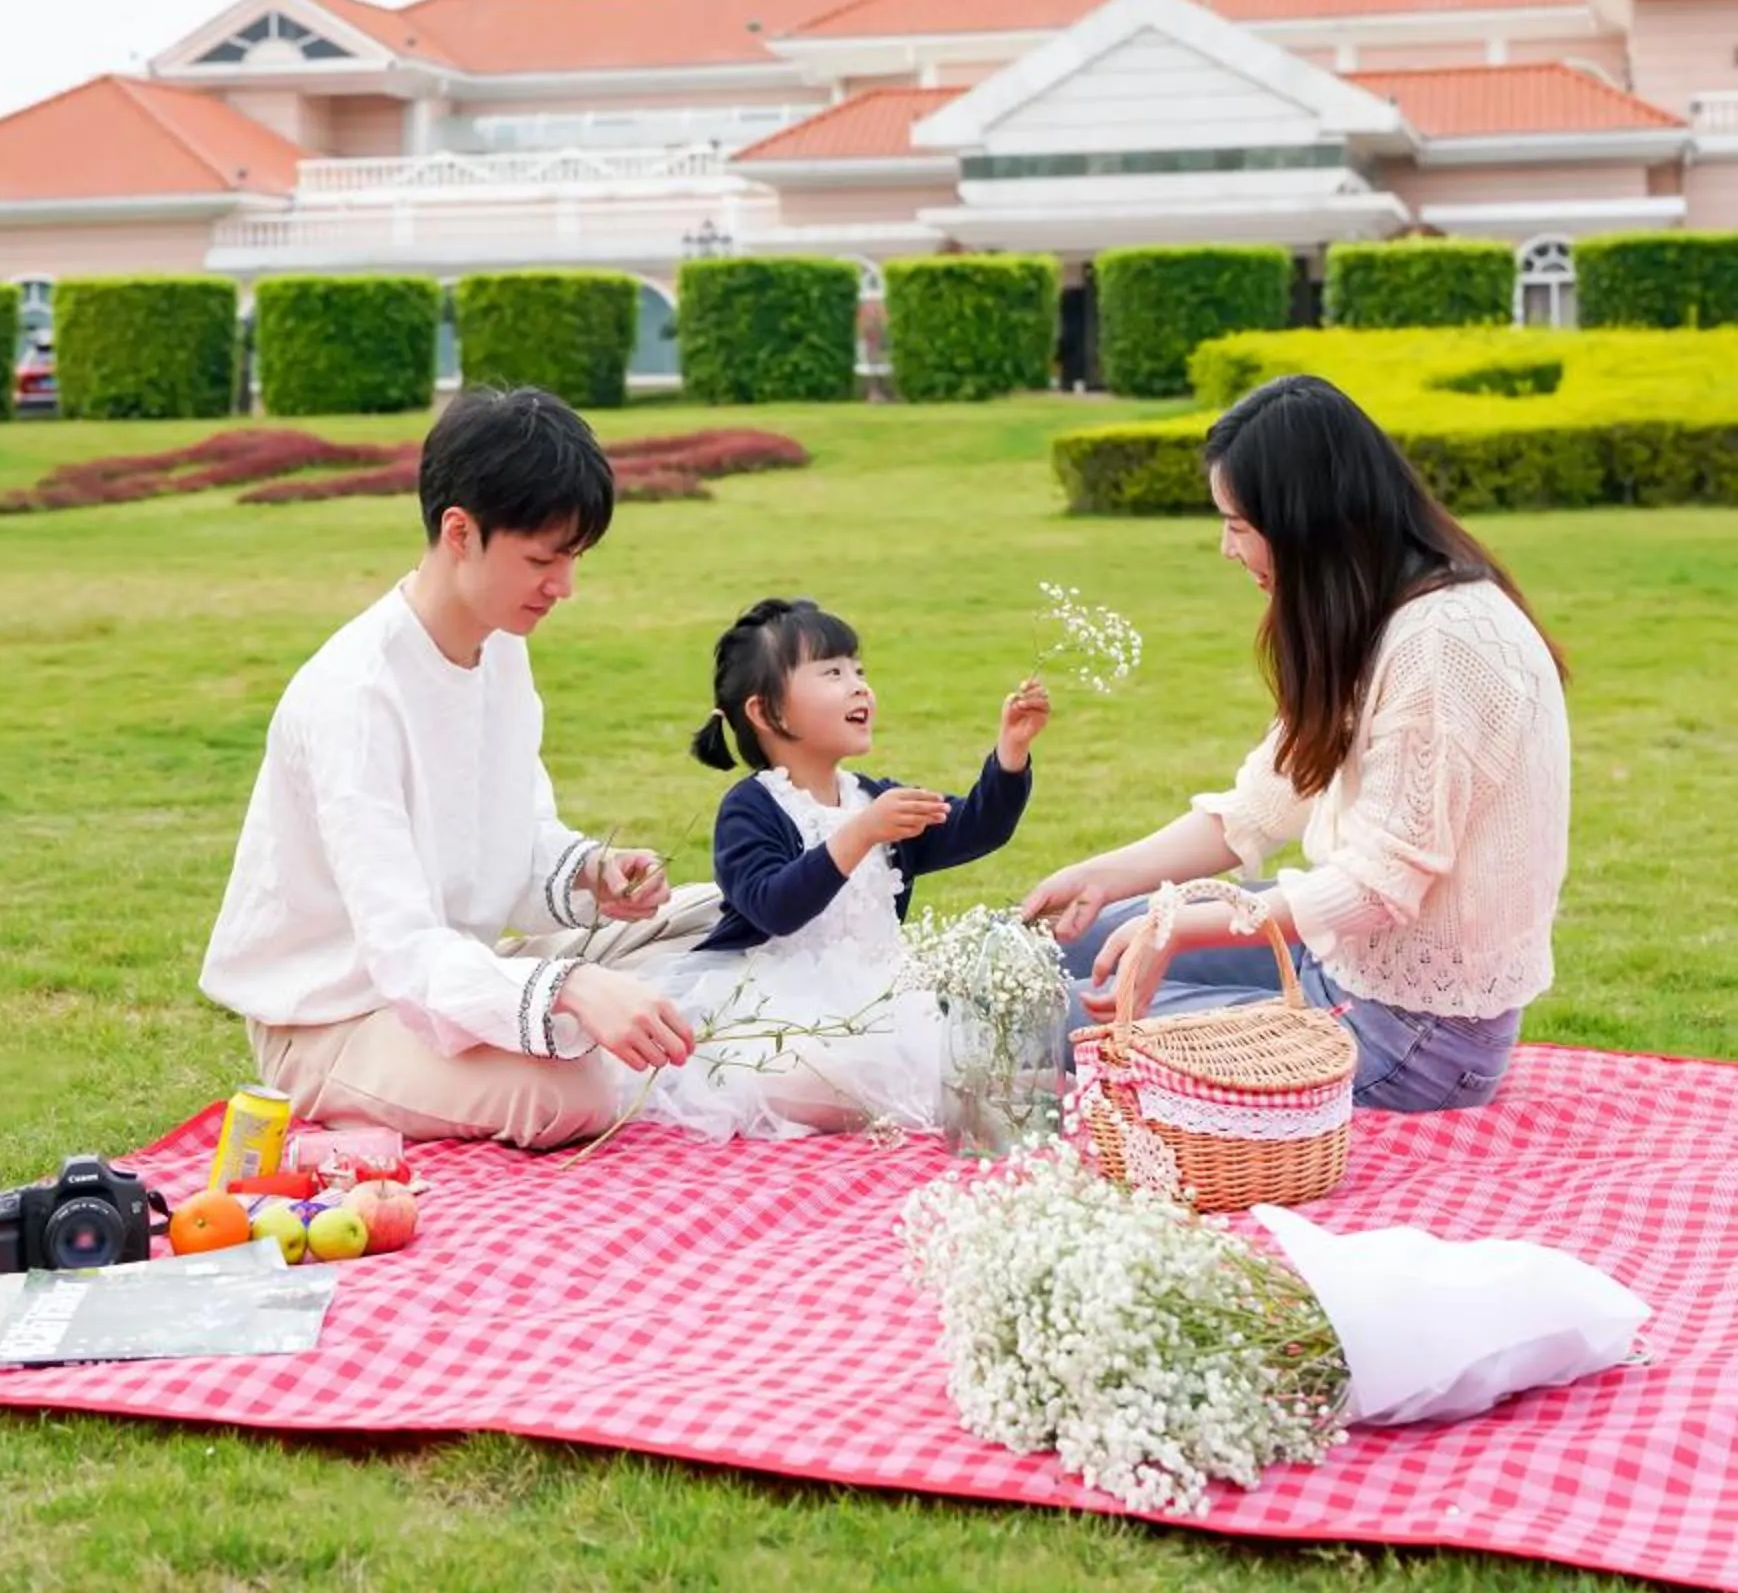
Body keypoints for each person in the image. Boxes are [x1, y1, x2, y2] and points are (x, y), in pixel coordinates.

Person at [1021, 374, 1570, 1114]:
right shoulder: (1373, 615)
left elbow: (1380, 885)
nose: (1224, 548)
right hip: (1339, 964)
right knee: (1054, 946)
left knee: (1041, 1019)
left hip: (1409, 1044)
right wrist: (1106, 876)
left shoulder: (1442, 645)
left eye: (1238, 524)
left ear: (1308, 522)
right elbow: (1254, 809)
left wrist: (1179, 927)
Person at [200, 384, 714, 1149]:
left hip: (455, 970)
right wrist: (573, 989)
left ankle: (644, 1031)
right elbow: (402, 952)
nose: (564, 587)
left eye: (573, 558)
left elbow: (509, 830)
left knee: (716, 916)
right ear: (460, 531)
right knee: (560, 1094)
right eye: (542, 558)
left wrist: (590, 873)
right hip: (337, 1018)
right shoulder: (356, 695)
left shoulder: (499, 645)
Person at [639, 596, 1050, 1137]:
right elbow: (773, 906)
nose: (859, 685)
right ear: (766, 712)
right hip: (781, 1013)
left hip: (884, 1006)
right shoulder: (753, 808)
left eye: (859, 670)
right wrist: (859, 835)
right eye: (832, 672)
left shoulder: (874, 801)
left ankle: (949, 1090)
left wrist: (1010, 754)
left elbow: (980, 826)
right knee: (797, 1077)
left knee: (929, 1052)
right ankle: (943, 1095)